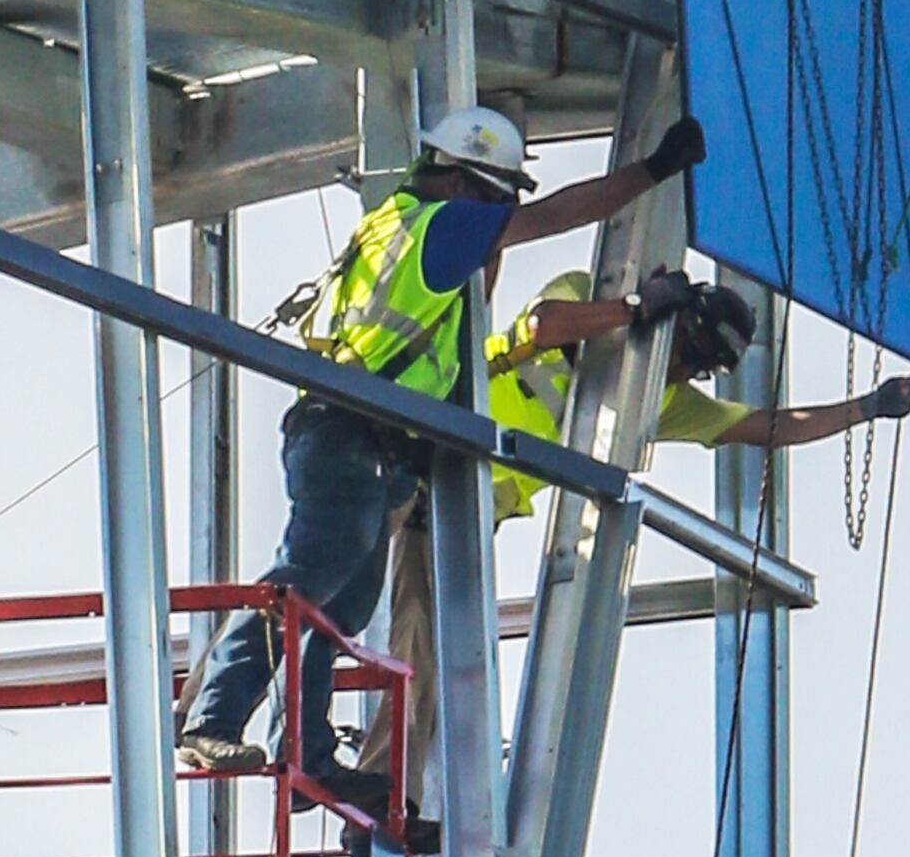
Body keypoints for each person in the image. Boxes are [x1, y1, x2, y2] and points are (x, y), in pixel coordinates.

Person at [177, 103, 699, 805]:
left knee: (343, 605)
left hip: (373, 439)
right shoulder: (441, 226)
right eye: (493, 197)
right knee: (309, 576)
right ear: (457, 179)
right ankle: (213, 714)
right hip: (348, 427)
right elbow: (560, 215)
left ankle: (308, 754)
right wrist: (654, 170)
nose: (498, 217)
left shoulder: (401, 224)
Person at [486, 266, 910, 513]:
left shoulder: (665, 401)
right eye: (687, 351)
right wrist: (635, 309)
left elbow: (773, 428)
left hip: (490, 494)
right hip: (454, 416)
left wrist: (868, 407)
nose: (683, 369)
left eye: (700, 367)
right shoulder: (587, 292)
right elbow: (547, 325)